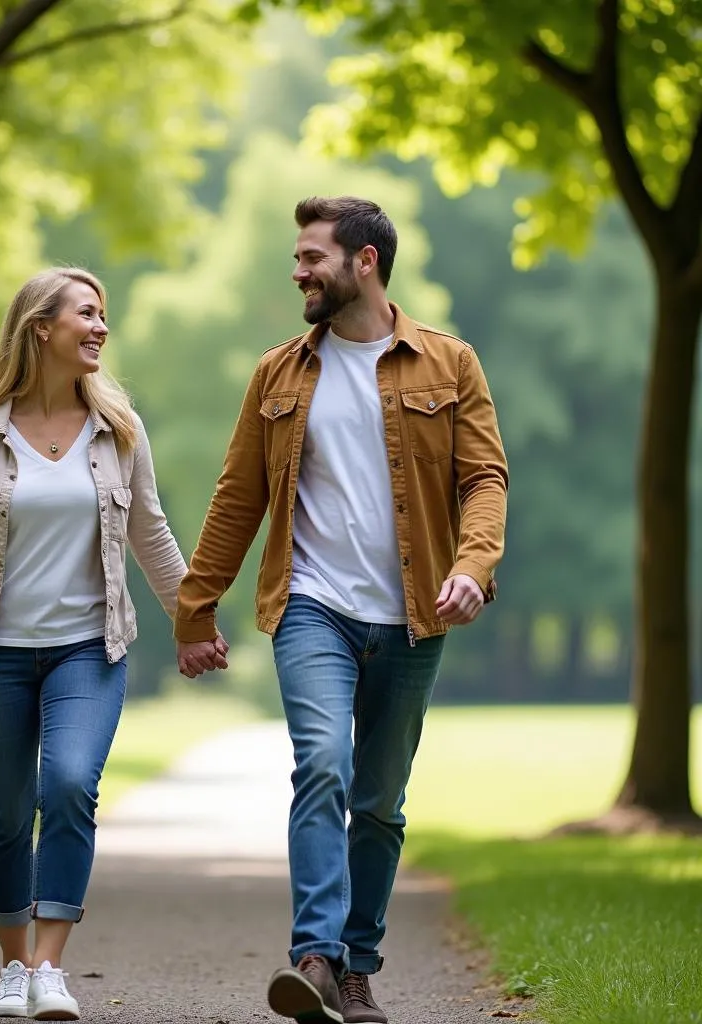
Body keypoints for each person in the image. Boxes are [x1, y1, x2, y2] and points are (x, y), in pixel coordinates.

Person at [174, 197, 508, 1024]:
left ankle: (358, 965)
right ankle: (316, 957)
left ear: (364, 262)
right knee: (321, 761)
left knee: (380, 799)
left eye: (312, 257)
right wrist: (195, 606)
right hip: (311, 603)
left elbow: (485, 480)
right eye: (296, 257)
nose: (299, 271)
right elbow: (236, 497)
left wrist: (473, 566)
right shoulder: (278, 373)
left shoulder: (449, 364)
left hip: (414, 612)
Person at [0, 267, 226, 1020]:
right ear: (40, 327)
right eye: (87, 313)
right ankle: (12, 970)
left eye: (104, 314)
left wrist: (192, 620)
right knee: (7, 813)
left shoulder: (119, 432)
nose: (102, 327)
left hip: (88, 647)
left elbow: (152, 533)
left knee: (71, 784)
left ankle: (49, 968)